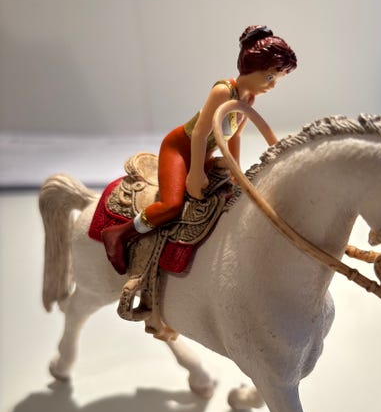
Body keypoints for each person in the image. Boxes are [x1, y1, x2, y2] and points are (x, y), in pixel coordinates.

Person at [102, 25, 297, 274]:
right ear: (253, 68)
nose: (272, 85)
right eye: (270, 77)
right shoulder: (223, 91)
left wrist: (236, 170)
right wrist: (195, 173)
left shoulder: (248, 98)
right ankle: (120, 233)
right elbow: (199, 134)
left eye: (277, 80)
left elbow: (235, 136)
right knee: (172, 205)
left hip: (205, 153)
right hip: (180, 149)